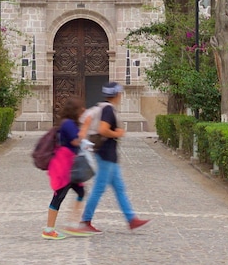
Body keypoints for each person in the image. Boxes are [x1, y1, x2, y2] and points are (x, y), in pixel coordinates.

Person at [69, 82, 149, 233]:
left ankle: (131, 219)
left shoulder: (104, 108)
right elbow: (103, 130)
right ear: (117, 94)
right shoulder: (108, 110)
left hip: (109, 155)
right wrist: (118, 133)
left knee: (119, 188)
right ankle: (85, 220)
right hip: (106, 154)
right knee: (99, 188)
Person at [42, 97, 91, 239]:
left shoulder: (71, 123)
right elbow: (76, 140)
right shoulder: (67, 123)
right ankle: (49, 229)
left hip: (71, 165)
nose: (83, 110)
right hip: (64, 166)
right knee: (59, 196)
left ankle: (72, 224)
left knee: (81, 192)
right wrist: (86, 126)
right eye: (80, 108)